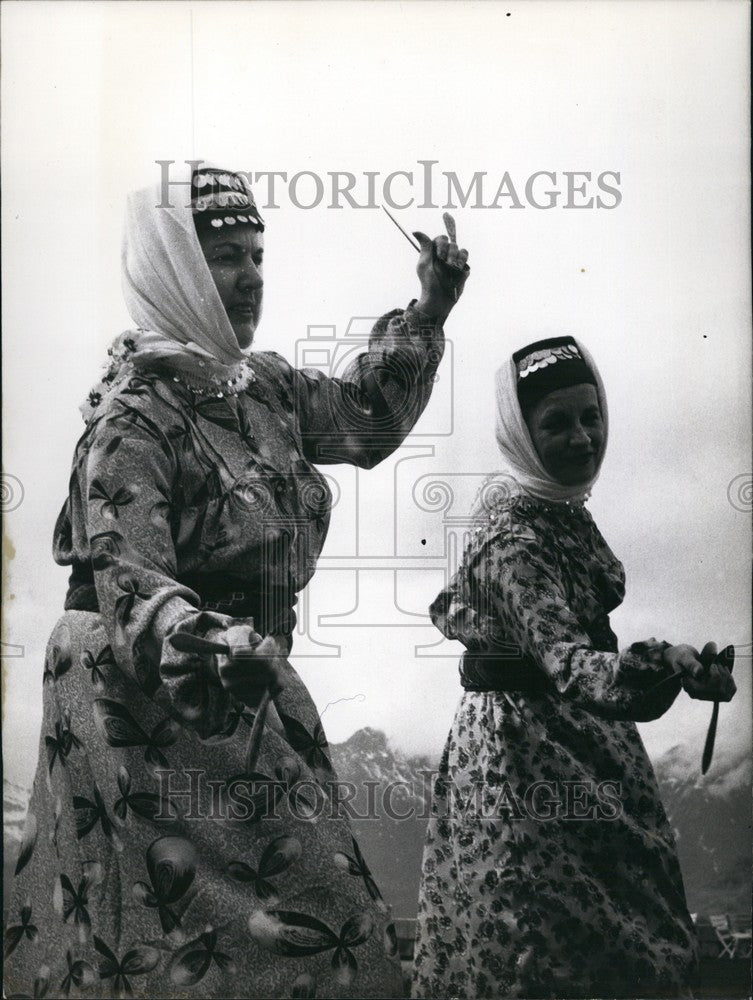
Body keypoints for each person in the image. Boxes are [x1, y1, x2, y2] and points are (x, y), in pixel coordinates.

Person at [4, 165, 469, 999]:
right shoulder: (133, 419)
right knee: (226, 941)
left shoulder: (264, 388)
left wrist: (427, 310)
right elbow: (130, 577)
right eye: (225, 257)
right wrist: (212, 646)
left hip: (250, 687)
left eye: (258, 255)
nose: (251, 276)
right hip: (149, 705)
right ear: (173, 270)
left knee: (301, 932)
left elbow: (365, 419)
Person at [411, 336, 736, 1000]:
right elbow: (574, 667)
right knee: (536, 942)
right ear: (520, 434)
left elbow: (576, 645)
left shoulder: (554, 506)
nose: (583, 437)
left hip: (580, 740)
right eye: (556, 423)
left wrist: (671, 662)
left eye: (590, 416)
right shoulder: (511, 541)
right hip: (523, 757)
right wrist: (667, 671)